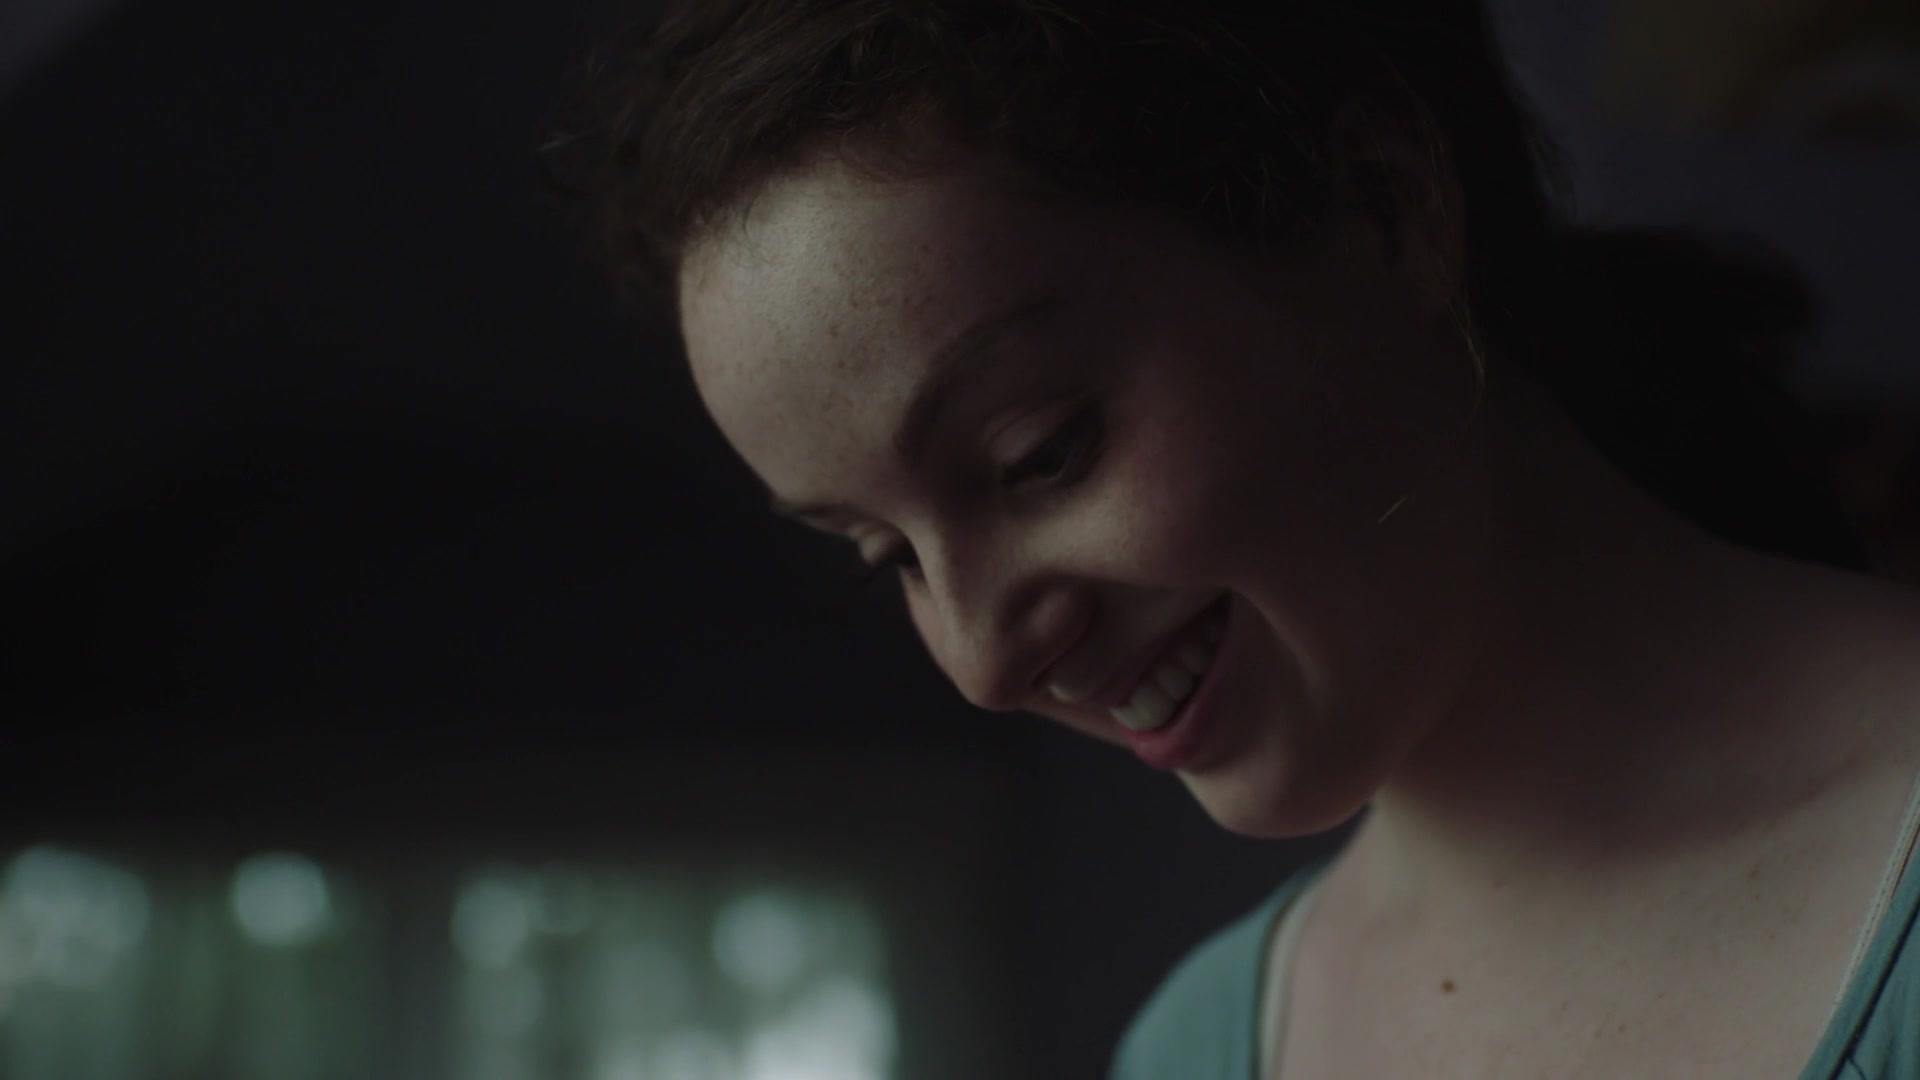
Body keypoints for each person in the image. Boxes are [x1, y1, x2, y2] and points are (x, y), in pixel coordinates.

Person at [547, 1, 1920, 1075]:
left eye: (1039, 455)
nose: (983, 661)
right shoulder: (1199, 1050)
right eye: (889, 555)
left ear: (1386, 208)